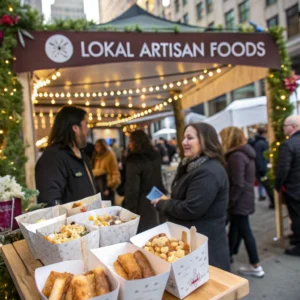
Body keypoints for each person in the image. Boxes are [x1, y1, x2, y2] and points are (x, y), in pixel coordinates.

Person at [152, 123, 230, 271]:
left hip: (205, 248)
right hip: (195, 243)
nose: (184, 142)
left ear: (205, 141)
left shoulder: (208, 172)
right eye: (184, 138)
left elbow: (191, 208)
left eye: (190, 138)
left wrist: (162, 204)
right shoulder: (193, 166)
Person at [220, 126, 265, 278]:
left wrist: (230, 202)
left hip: (239, 201)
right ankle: (230, 254)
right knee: (237, 229)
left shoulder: (236, 156)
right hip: (244, 198)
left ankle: (256, 265)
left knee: (245, 231)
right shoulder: (244, 153)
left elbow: (238, 183)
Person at [35, 106, 97, 207]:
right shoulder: (53, 157)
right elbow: (49, 201)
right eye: (86, 124)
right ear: (75, 128)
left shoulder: (81, 155)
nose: (87, 130)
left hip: (89, 220)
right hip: (71, 222)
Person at [123, 130, 166, 233]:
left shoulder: (134, 160)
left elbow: (132, 189)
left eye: (130, 141)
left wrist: (128, 213)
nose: (129, 144)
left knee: (144, 238)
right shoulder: (155, 155)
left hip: (143, 204)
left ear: (135, 142)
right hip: (159, 197)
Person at [275, 115, 300, 257]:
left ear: (293, 127)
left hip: (294, 189)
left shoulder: (288, 144)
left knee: (296, 217)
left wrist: (278, 186)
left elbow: (283, 169)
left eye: (285, 126)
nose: (283, 128)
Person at [251, 128, 274, 208]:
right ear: (263, 133)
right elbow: (259, 158)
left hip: (263, 168)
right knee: (267, 186)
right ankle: (272, 201)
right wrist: (262, 169)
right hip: (263, 169)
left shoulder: (259, 142)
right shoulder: (260, 143)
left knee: (265, 185)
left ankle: (267, 198)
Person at [92, 139, 120, 204]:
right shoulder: (96, 156)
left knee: (108, 206)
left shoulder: (110, 155)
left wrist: (109, 187)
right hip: (97, 184)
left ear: (103, 146)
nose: (96, 148)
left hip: (106, 185)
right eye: (95, 146)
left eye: (98, 146)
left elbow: (115, 172)